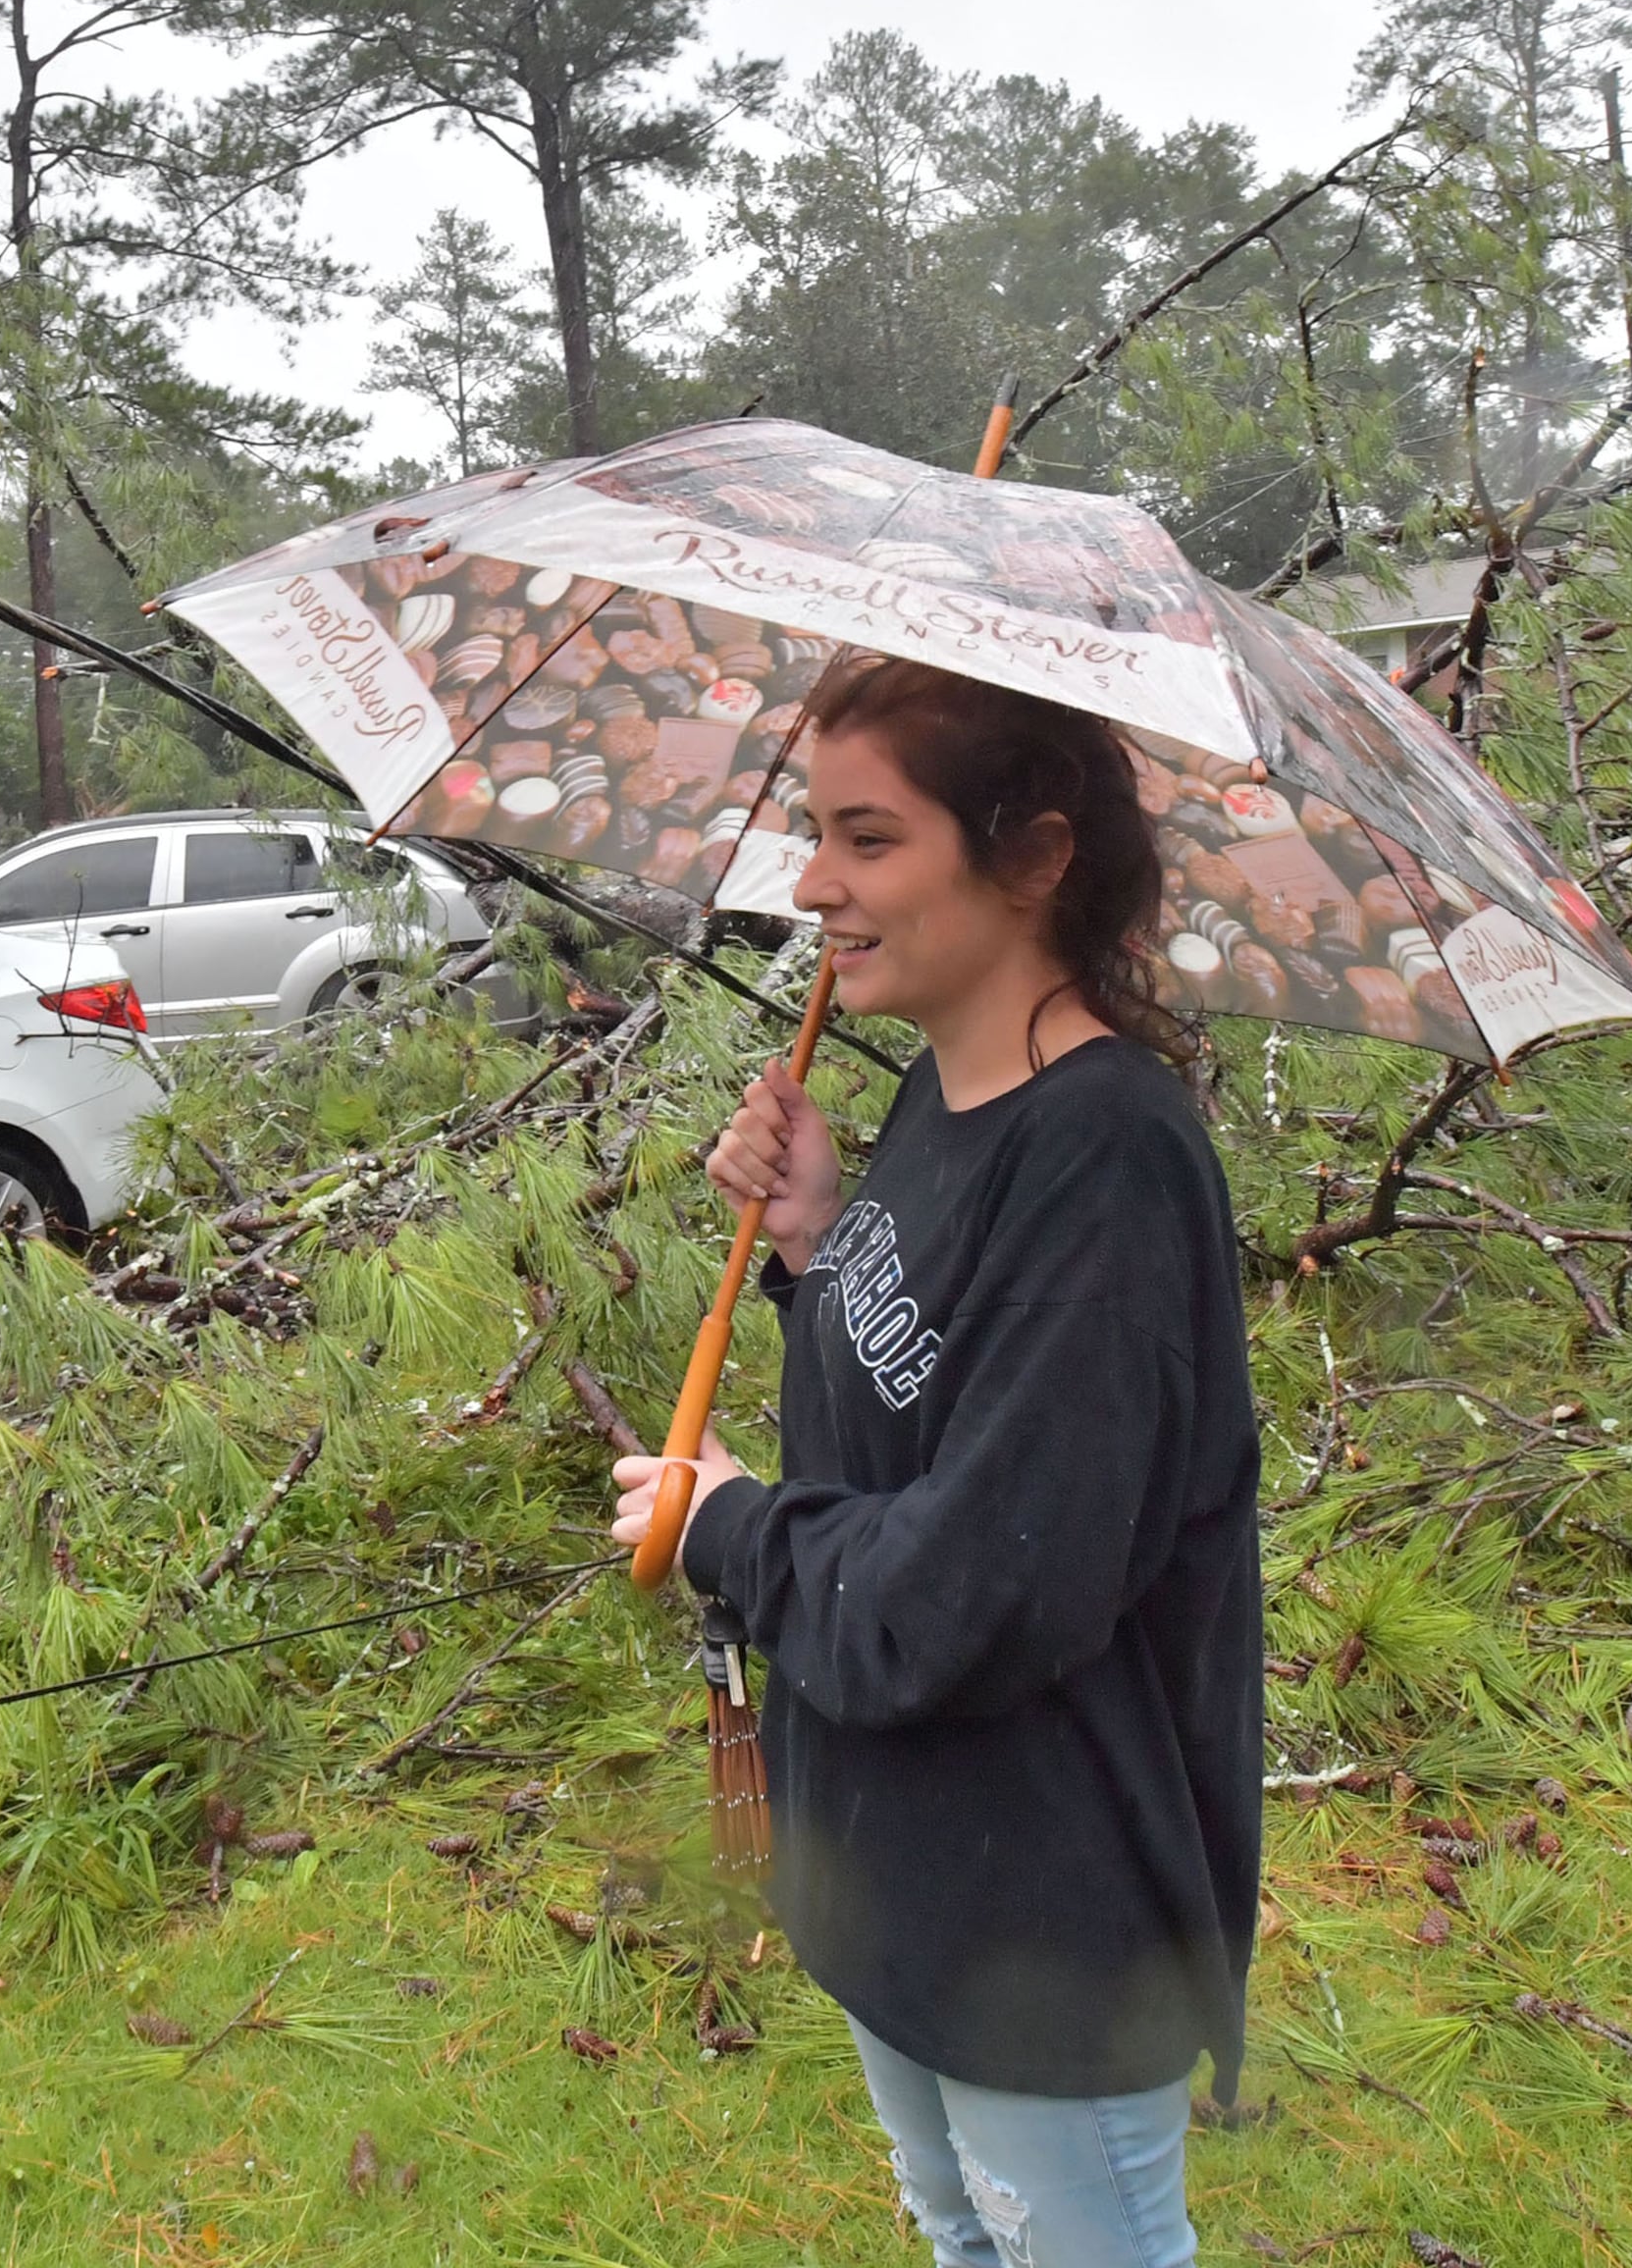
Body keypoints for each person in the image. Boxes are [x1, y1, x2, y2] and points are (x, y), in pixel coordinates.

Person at [610, 654, 1262, 2268]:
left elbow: (979, 1591)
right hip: (906, 1860)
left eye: (869, 839)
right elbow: (911, 1425)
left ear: (1032, 858)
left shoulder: (1105, 1160)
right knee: (962, 2237)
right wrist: (820, 1243)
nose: (814, 883)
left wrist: (733, 1531)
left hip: (1043, 1899)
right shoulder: (948, 1098)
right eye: (816, 833)